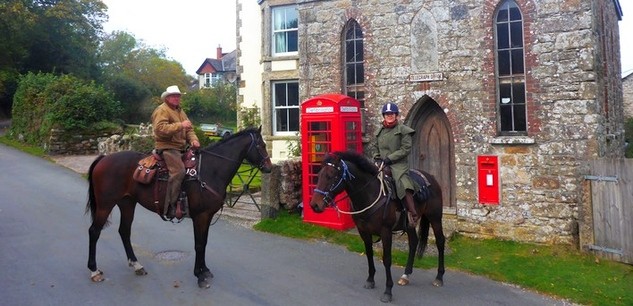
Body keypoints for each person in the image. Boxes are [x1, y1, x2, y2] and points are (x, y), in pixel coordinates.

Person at [151, 85, 200, 219]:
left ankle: (188, 201)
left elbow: (189, 129)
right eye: (174, 96)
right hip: (167, 147)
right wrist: (180, 125)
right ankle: (170, 207)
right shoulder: (162, 110)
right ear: (167, 98)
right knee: (178, 172)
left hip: (180, 147)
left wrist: (194, 140)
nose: (177, 98)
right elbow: (160, 129)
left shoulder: (180, 111)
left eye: (178, 96)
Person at [371, 102, 419, 228]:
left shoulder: (403, 130)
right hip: (382, 164)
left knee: (403, 183)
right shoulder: (379, 131)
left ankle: (412, 213)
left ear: (396, 115)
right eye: (387, 114)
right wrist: (376, 158)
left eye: (392, 114)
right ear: (384, 116)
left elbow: (405, 149)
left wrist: (390, 158)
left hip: (398, 165)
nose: (389, 116)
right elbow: (375, 147)